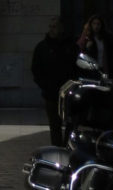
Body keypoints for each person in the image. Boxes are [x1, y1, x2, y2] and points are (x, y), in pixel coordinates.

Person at [31, 16, 78, 146]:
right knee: (55, 125)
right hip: (51, 93)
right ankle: (57, 149)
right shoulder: (42, 47)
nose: (52, 29)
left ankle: (68, 146)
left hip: (69, 92)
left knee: (70, 123)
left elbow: (77, 67)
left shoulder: (71, 46)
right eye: (50, 27)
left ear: (61, 28)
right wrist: (45, 85)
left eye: (55, 26)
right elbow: (36, 69)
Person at [77, 13, 113, 79]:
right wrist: (86, 48)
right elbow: (80, 52)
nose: (96, 26)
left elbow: (111, 57)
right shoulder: (86, 37)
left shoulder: (106, 38)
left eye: (98, 24)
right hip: (91, 70)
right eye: (94, 24)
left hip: (104, 69)